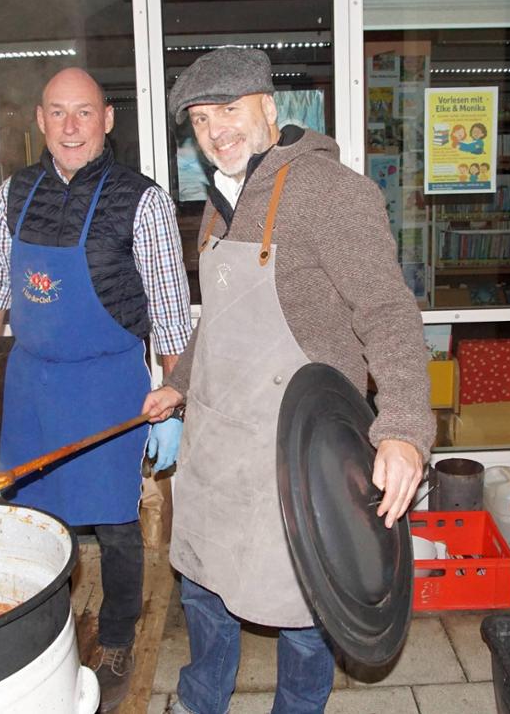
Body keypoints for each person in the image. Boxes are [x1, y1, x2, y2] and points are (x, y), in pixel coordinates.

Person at [142, 47, 436, 714]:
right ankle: (200, 699)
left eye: (229, 108)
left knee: (303, 613)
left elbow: (389, 313)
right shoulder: (220, 204)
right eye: (199, 120)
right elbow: (218, 321)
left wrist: (404, 430)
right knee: (203, 592)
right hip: (219, 447)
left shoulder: (331, 193)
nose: (216, 129)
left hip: (296, 456)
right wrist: (180, 381)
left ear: (269, 107)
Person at [0, 67, 192, 712]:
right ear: (39, 120)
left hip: (108, 383)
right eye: (57, 113)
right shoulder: (15, 194)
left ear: (107, 119)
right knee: (36, 523)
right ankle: (47, 634)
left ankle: (116, 637)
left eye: (83, 112)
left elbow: (170, 313)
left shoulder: (142, 201)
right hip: (32, 384)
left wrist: (174, 396)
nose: (69, 127)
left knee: (115, 526)